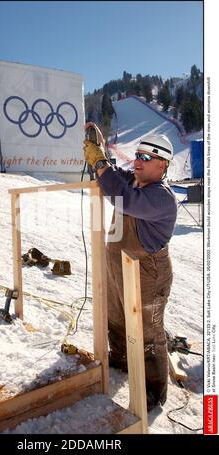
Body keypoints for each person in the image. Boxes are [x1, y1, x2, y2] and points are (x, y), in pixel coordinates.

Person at [83, 122, 177, 411]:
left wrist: (99, 162)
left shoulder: (161, 196)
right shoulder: (134, 181)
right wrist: (100, 154)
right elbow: (113, 178)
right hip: (118, 263)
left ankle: (152, 392)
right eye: (137, 155)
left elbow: (124, 198)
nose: (138, 161)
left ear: (162, 166)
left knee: (148, 333)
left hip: (148, 271)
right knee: (116, 315)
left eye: (146, 158)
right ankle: (123, 361)